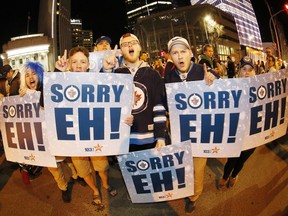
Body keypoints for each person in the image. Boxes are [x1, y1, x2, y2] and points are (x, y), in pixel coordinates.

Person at [55, 46, 133, 210]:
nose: (78, 65)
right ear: (69, 64)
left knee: (102, 168)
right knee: (83, 172)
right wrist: (58, 74)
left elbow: (113, 93)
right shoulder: (61, 82)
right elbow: (45, 103)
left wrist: (106, 69)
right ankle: (95, 190)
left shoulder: (96, 79)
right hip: (75, 140)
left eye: (82, 61)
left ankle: (104, 184)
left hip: (96, 136)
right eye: (74, 62)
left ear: (88, 64)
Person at [19, 61, 87, 202]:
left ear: (39, 75)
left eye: (33, 74)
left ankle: (76, 176)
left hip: (58, 134)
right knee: (54, 167)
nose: (31, 77)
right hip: (42, 140)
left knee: (68, 159)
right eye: (27, 75)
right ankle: (63, 187)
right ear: (23, 79)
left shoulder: (48, 88)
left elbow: (49, 99)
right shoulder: (21, 96)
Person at [164, 36, 216, 214]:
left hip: (201, 133)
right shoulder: (169, 76)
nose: (180, 56)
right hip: (179, 133)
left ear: (191, 53)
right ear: (170, 57)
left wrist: (213, 77)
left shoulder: (202, 71)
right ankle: (184, 188)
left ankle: (193, 197)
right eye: (175, 52)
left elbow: (220, 86)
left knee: (197, 169)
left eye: (183, 51)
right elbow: (164, 102)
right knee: (182, 166)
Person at [102, 33, 166, 152]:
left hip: (149, 139)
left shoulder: (153, 74)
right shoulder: (116, 74)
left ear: (140, 47)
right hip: (122, 139)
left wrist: (160, 136)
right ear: (121, 51)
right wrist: (106, 70)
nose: (130, 45)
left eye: (133, 43)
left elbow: (159, 106)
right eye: (125, 44)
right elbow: (103, 98)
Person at [218, 56, 257, 190]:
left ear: (255, 72)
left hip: (253, 135)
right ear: (238, 71)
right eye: (244, 69)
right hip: (236, 134)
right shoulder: (230, 88)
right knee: (232, 160)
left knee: (242, 160)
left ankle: (234, 176)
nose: (247, 72)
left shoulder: (262, 88)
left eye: (250, 69)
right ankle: (225, 176)